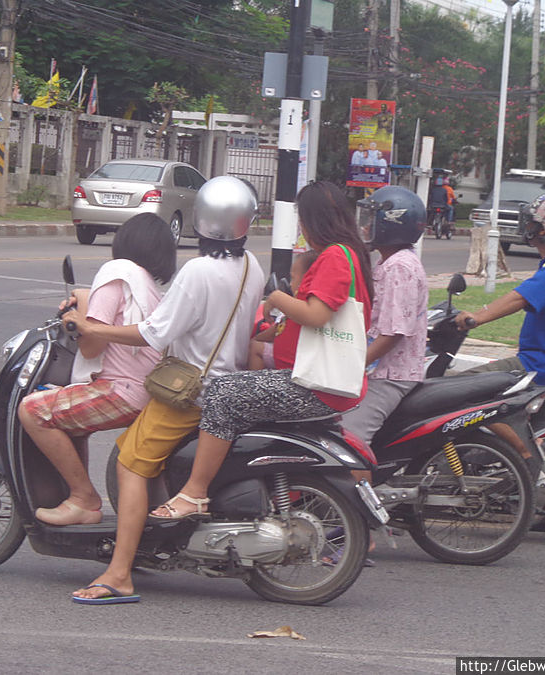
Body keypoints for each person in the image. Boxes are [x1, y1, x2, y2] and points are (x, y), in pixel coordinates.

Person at [64, 176, 265, 603]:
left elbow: (154, 334)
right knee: (138, 456)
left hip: (189, 393)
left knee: (131, 465)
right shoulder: (253, 267)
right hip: (229, 384)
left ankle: (119, 574)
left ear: (202, 220)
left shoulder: (198, 270)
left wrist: (89, 326)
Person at [148, 180, 374, 522]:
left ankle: (195, 492)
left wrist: (276, 299)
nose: (300, 228)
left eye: (302, 220)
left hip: (318, 386)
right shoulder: (348, 255)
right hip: (320, 381)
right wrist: (270, 333)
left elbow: (316, 315)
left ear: (316, 221)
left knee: (222, 392)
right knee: (240, 388)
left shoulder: (334, 257)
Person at [18, 214, 176, 526]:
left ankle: (83, 499)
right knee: (69, 419)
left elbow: (91, 344)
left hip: (121, 392)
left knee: (32, 410)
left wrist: (77, 315)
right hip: (146, 391)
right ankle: (76, 495)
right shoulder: (146, 286)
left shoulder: (115, 273)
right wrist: (85, 298)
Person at [454, 192, 545, 394]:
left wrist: (477, 317)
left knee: (458, 390)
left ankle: (515, 428)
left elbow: (520, 297)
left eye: (532, 223)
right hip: (536, 360)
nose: (526, 227)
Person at [344, 186, 428, 464]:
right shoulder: (391, 261)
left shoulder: (398, 268)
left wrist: (352, 366)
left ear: (391, 224)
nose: (365, 226)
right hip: (381, 368)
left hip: (389, 373)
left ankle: (363, 505)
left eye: (372, 219)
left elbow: (393, 333)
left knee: (348, 442)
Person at [248, 250, 319, 371]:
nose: (290, 284)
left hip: (291, 365)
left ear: (308, 279)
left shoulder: (298, 305)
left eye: (293, 278)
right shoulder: (318, 303)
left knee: (254, 347)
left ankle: (253, 385)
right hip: (305, 362)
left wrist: (255, 339)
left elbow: (274, 332)